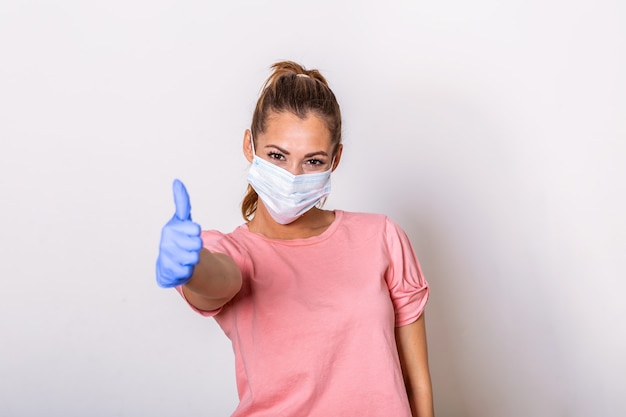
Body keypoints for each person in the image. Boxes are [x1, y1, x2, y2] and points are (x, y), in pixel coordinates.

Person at [156, 61, 434, 417]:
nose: (292, 175)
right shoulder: (231, 252)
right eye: (276, 156)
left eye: (313, 161)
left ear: (336, 159)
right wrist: (192, 267)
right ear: (249, 145)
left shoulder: (381, 236)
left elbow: (418, 382)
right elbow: (220, 278)